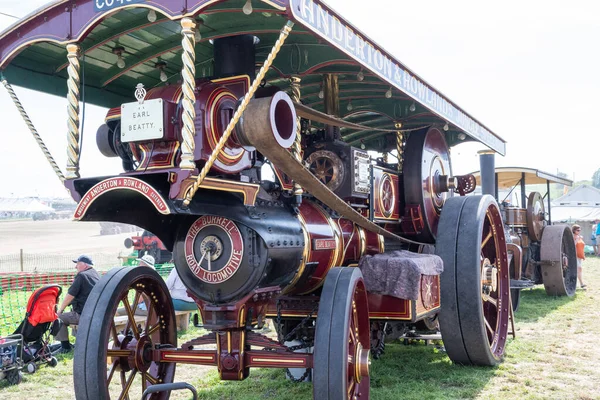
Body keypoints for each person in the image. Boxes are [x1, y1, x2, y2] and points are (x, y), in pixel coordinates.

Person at [55, 255, 100, 354]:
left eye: (78, 264)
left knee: (57, 319)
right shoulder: (95, 274)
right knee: (73, 312)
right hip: (95, 313)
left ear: (84, 265)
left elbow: (70, 295)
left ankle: (65, 347)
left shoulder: (81, 276)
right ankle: (79, 343)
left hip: (83, 315)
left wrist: (60, 310)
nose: (76, 267)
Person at [572, 225, 587, 289]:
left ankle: (580, 284)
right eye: (578, 230)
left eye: (580, 230)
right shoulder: (573, 237)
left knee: (579, 269)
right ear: (574, 230)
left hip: (579, 256)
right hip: (574, 255)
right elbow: (572, 246)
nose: (579, 231)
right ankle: (581, 283)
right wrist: (577, 239)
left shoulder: (579, 237)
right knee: (579, 268)